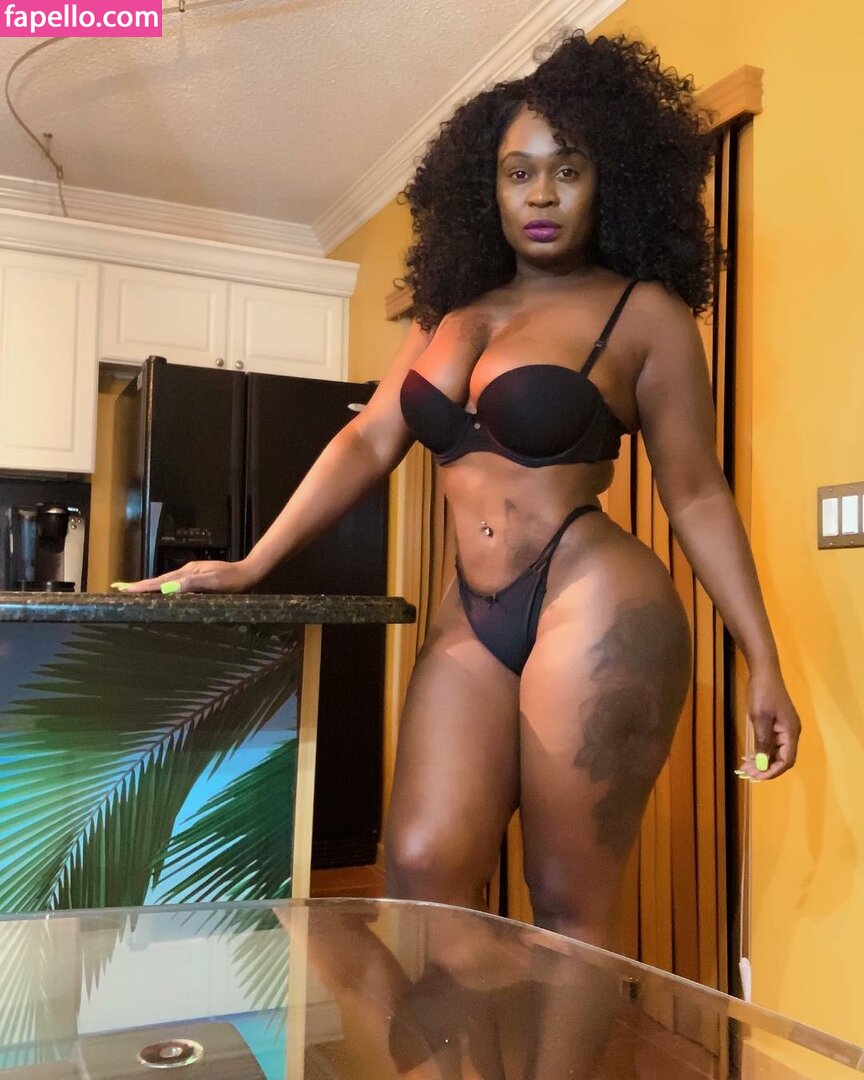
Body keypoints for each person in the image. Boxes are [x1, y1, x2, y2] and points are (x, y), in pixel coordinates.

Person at [125, 31, 800, 956]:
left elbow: (697, 495)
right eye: (518, 173)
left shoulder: (644, 313)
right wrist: (251, 563)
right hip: (470, 613)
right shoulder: (448, 312)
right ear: (487, 188)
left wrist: (762, 658)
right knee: (421, 868)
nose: (542, 194)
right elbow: (369, 438)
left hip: (592, 597)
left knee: (567, 903)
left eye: (568, 170)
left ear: (610, 181)